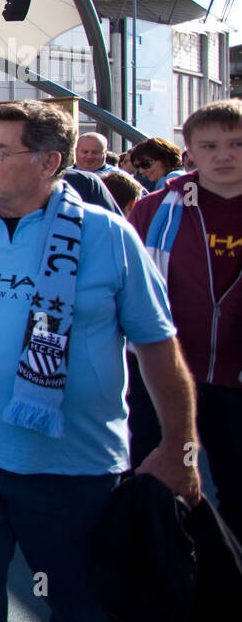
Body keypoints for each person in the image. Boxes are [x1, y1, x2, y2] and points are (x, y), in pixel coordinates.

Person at [0, 101, 201, 622]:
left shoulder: (107, 236)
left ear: (49, 163)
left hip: (72, 469)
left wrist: (180, 448)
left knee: (82, 607)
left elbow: (159, 346)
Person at [129, 99, 242, 536]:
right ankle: (163, 585)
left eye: (236, 144)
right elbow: (128, 288)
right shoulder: (156, 210)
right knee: (158, 482)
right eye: (209, 145)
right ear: (189, 150)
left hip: (234, 382)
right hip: (164, 376)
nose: (224, 155)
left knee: (236, 489)